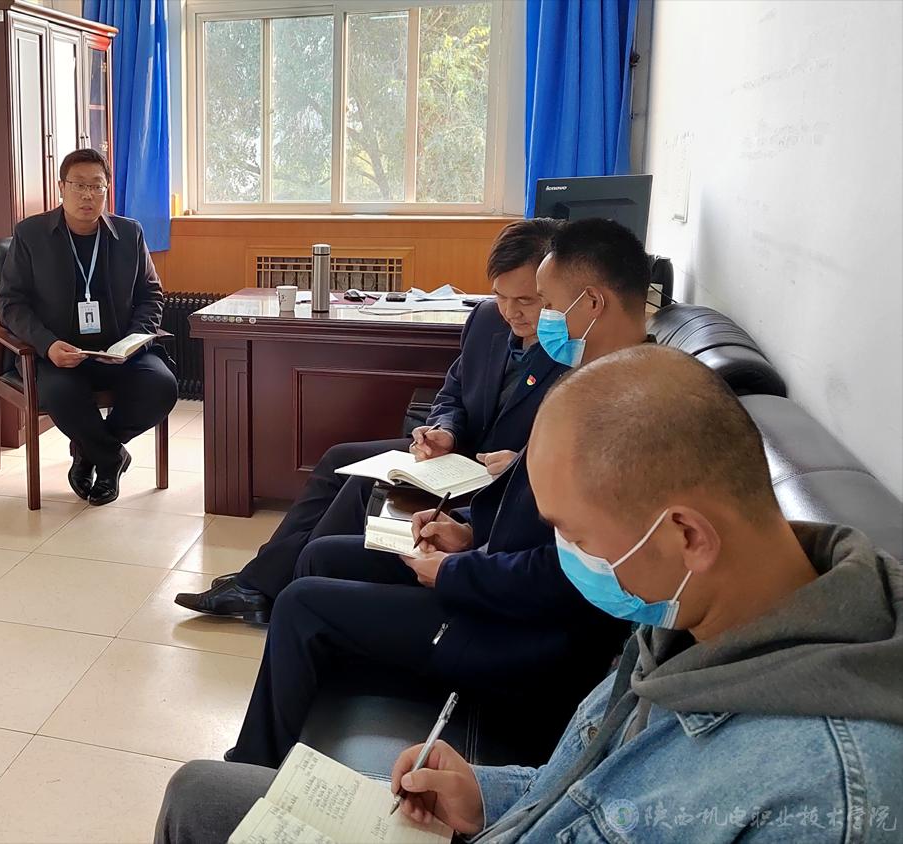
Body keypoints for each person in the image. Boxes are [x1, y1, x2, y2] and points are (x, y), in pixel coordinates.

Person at [156, 345, 903, 844]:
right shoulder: (687, 620)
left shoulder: (829, 798)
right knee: (200, 793)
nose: (567, 555)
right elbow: (590, 787)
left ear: (686, 535)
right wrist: (487, 793)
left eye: (571, 534)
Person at [225, 218, 655, 768]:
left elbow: (569, 576)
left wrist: (454, 571)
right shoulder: (592, 382)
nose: (533, 317)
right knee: (321, 556)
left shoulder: (622, 414)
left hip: (517, 631)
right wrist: (468, 531)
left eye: (545, 303)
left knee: (300, 605)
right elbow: (533, 517)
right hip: (494, 571)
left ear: (591, 303)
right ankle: (304, 738)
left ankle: (250, 767)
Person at [175, 218, 567, 622]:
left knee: (365, 484)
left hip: (505, 479)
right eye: (501, 296)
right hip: (455, 456)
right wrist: (444, 430)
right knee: (339, 459)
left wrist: (518, 462)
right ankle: (266, 583)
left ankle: (286, 589)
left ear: (554, 292)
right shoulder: (486, 319)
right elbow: (453, 392)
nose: (511, 312)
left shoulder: (572, 348)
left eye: (527, 301)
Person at [0, 148, 177, 506]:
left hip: (120, 352)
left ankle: (89, 452)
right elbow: (11, 303)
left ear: (107, 190)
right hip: (60, 355)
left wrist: (133, 342)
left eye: (96, 186)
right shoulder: (31, 234)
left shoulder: (129, 233)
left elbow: (151, 294)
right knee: (60, 393)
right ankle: (111, 459)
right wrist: (48, 345)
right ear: (61, 187)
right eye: (78, 185)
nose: (87, 195)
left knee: (161, 386)